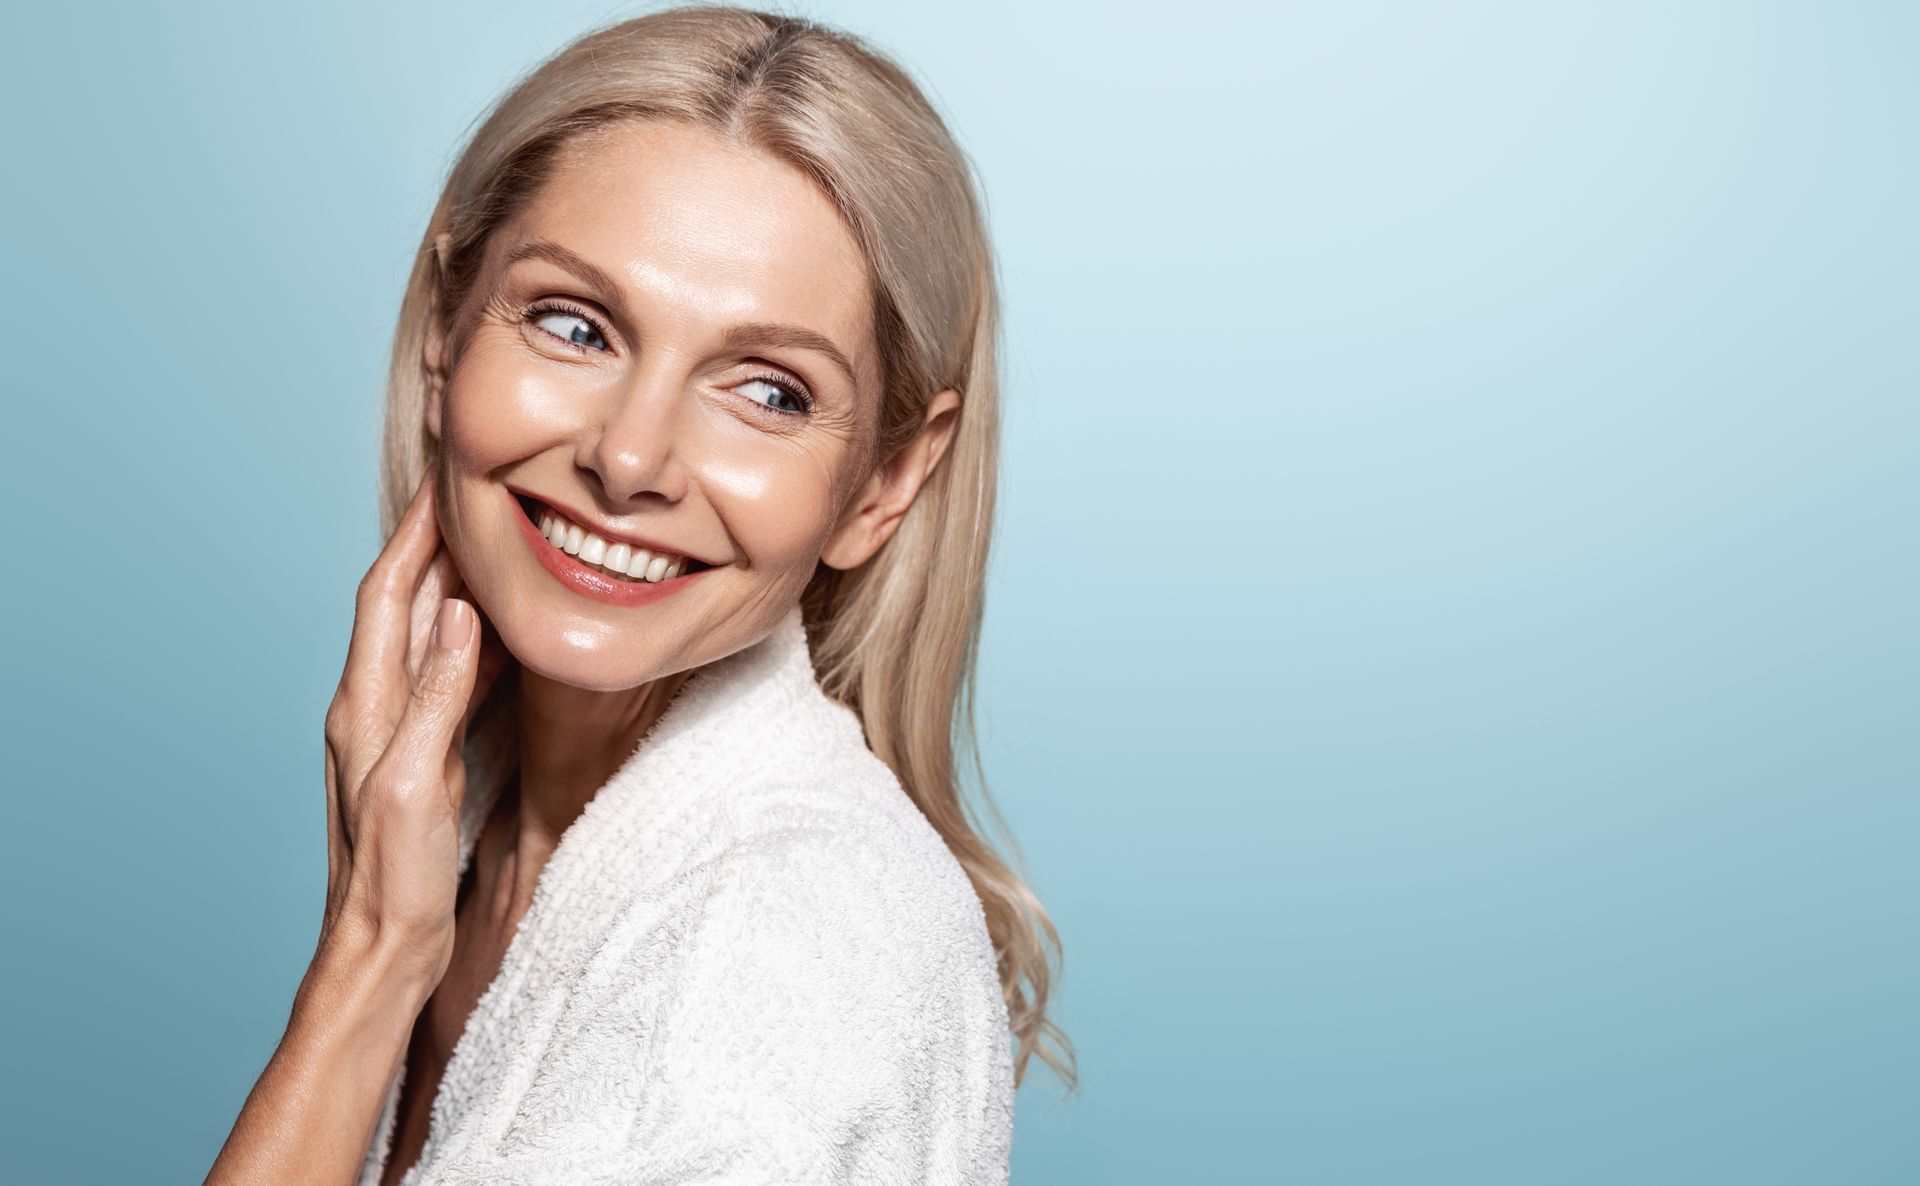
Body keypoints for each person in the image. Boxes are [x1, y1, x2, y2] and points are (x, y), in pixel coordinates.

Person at [203, 6, 1075, 1184]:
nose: (629, 459)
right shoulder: (467, 846)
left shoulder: (773, 950)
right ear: (446, 337)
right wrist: (376, 955)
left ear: (886, 478)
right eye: (575, 325)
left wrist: (366, 955)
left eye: (766, 390)